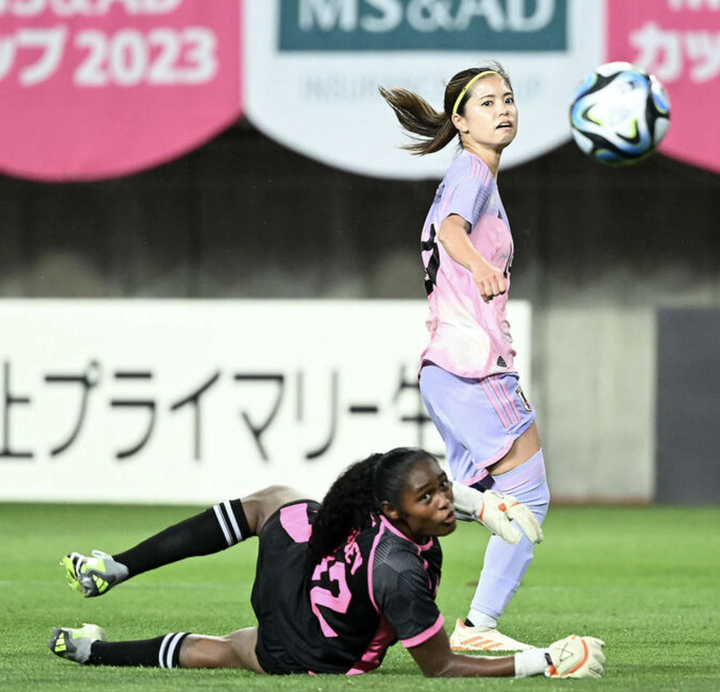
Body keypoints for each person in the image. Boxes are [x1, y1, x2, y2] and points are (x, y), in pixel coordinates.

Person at [48, 447, 604, 679]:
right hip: (320, 654)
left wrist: (481, 504)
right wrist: (542, 662)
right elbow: (440, 667)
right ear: (393, 510)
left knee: (273, 502)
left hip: (304, 588)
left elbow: (391, 474)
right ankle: (97, 634)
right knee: (230, 648)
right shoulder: (399, 572)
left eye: (443, 487)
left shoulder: (379, 505)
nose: (442, 501)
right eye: (428, 497)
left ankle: (96, 625)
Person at [380, 62, 550, 652]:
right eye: (486, 103)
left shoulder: (473, 173)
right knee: (527, 499)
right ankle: (479, 628)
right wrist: (479, 265)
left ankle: (383, 518)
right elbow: (453, 231)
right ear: (460, 121)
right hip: (472, 365)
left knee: (473, 496)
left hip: (448, 368)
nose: (503, 109)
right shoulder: (472, 170)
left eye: (508, 98)